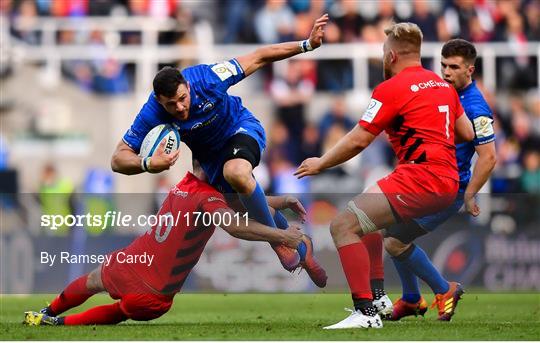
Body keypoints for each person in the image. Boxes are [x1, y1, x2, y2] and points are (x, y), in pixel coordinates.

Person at [110, 15, 330, 286]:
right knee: (233, 212)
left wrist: (306, 45)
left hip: (240, 128)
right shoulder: (151, 113)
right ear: (159, 101)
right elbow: (118, 159)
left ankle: (279, 242)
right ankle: (301, 243)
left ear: (188, 87)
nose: (180, 108)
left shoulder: (208, 78)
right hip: (209, 156)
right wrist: (146, 163)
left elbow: (259, 56)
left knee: (236, 172)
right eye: (171, 105)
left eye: (182, 98)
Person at [295, 23, 474, 329]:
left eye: (382, 53)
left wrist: (321, 162)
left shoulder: (391, 89)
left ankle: (365, 313)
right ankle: (380, 298)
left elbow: (358, 140)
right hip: (448, 182)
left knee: (343, 226)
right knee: (374, 224)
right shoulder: (442, 86)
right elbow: (466, 132)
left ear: (391, 55)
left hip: (420, 178)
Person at [23, 164, 306, 326]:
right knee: (122, 311)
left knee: (94, 280)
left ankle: (48, 313)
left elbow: (235, 203)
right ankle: (60, 323)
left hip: (133, 261)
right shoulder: (208, 199)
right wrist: (281, 236)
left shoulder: (185, 183)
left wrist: (279, 202)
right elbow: (232, 223)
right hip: (154, 292)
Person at [382, 38, 496, 322]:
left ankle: (445, 289)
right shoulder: (439, 91)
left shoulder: (476, 107)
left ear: (470, 70)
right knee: (390, 231)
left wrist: (470, 194)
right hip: (422, 181)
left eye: (454, 67)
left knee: (395, 242)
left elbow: (489, 157)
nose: (446, 72)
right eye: (443, 65)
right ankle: (410, 299)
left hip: (446, 190)